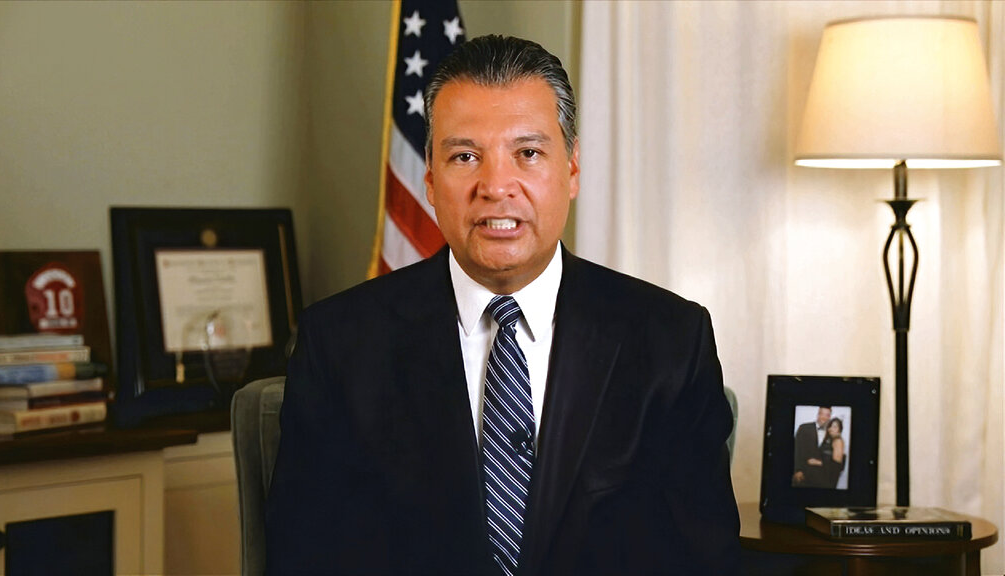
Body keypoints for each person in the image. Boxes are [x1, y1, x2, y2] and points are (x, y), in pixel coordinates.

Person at [265, 35, 740, 576]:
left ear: (572, 169)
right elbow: (304, 559)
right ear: (429, 178)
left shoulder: (670, 341)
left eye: (528, 153)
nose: (495, 187)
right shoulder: (340, 344)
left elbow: (703, 562)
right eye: (465, 156)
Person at [792, 406, 831, 488]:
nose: (824, 417)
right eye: (822, 414)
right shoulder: (804, 428)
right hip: (803, 476)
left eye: (827, 415)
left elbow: (836, 459)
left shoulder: (832, 433)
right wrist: (797, 470)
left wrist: (821, 462)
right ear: (818, 415)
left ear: (830, 417)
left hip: (823, 480)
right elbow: (796, 449)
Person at [818, 417, 846, 488]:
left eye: (835, 427)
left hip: (829, 478)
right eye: (830, 426)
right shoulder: (829, 440)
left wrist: (818, 462)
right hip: (823, 475)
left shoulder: (838, 441)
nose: (831, 429)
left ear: (839, 429)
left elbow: (836, 465)